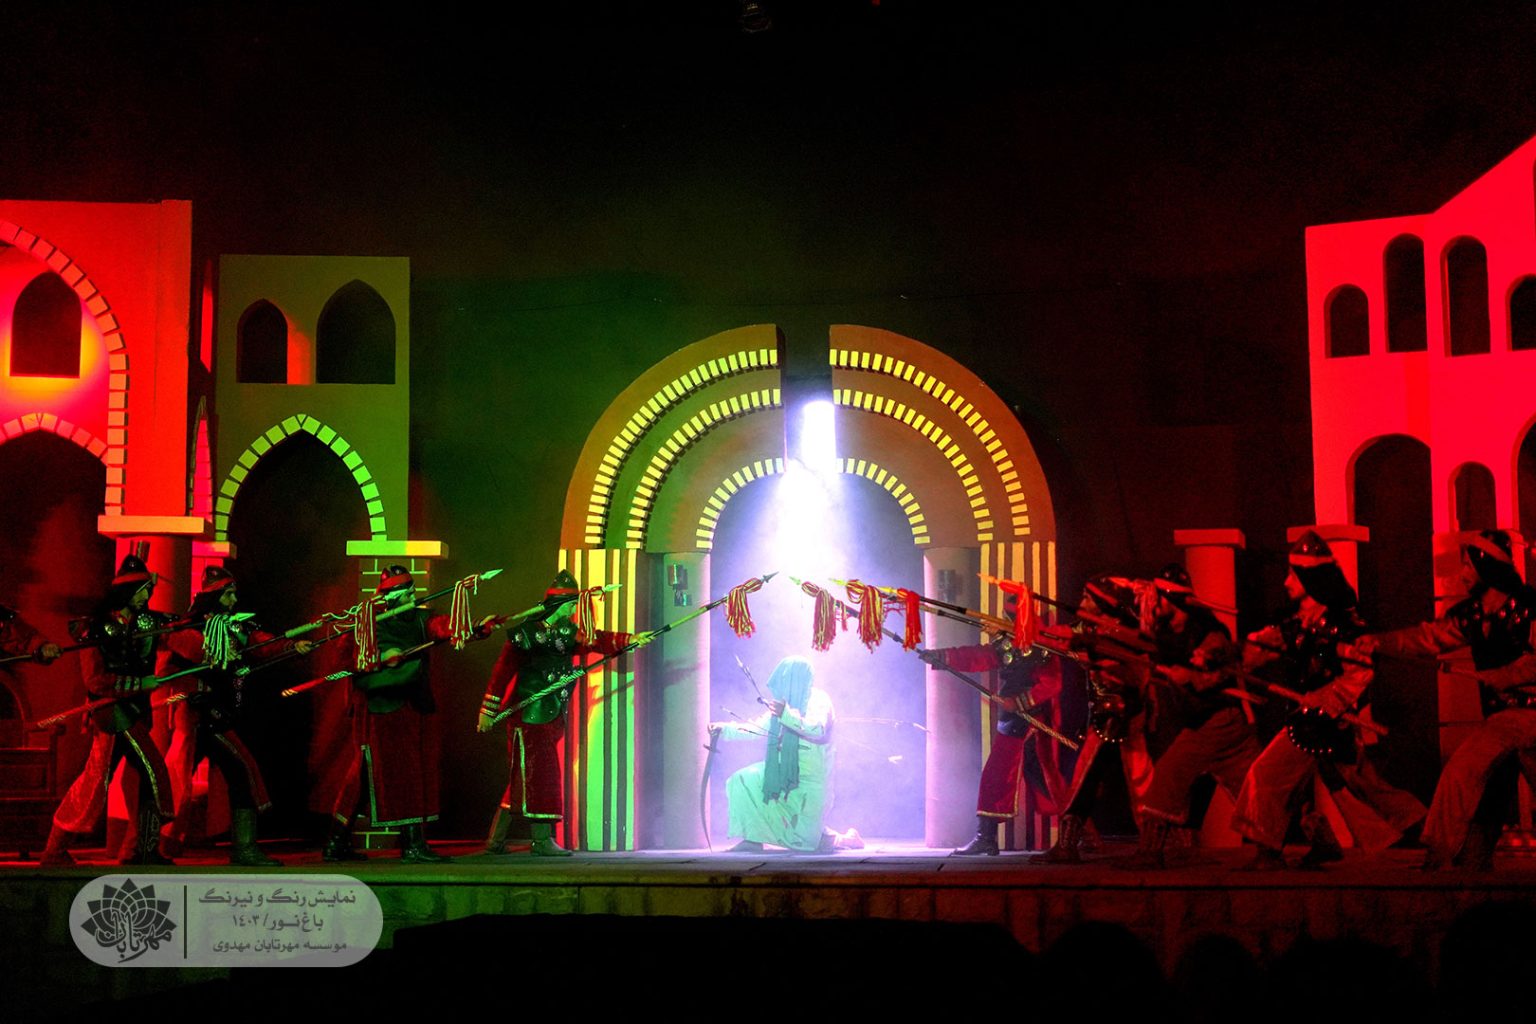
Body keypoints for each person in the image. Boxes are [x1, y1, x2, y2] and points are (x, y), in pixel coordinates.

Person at [1231, 531, 1425, 869]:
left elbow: (1361, 672)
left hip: (1322, 720)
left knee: (1268, 774)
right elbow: (1262, 649)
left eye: (1294, 574)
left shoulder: (1343, 627)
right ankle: (1422, 831)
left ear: (1310, 578)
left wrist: (1325, 702)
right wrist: (1227, 655)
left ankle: (1266, 852)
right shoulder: (1298, 624)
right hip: (1310, 716)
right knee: (1358, 785)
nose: (1286, 582)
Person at [1355, 529, 1536, 870]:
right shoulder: (1473, 614)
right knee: (1482, 785)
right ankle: (1457, 859)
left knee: (1463, 771)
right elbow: (1430, 638)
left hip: (1528, 715)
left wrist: (1505, 675)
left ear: (1486, 567)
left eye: (1468, 565)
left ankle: (1441, 855)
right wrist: (1382, 642)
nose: (1463, 574)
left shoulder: (1530, 608)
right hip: (1501, 719)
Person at [478, 569, 649, 856]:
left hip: (551, 714)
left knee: (524, 778)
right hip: (528, 716)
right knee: (541, 776)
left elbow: (597, 640)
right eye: (570, 606)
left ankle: (495, 841)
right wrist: (487, 710)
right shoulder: (524, 634)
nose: (573, 611)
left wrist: (630, 639)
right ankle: (541, 840)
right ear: (560, 605)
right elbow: (501, 673)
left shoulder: (566, 633)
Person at [158, 565, 313, 865]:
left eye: (233, 593)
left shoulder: (235, 627)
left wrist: (292, 646)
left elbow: (262, 643)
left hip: (217, 713)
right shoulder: (188, 629)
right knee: (193, 776)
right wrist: (211, 655)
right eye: (227, 594)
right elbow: (177, 663)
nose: (233, 600)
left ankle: (237, 847)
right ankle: (157, 845)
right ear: (213, 596)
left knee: (234, 773)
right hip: (194, 715)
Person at [1116, 564, 1260, 869]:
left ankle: (1149, 853)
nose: (1154, 602)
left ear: (1171, 599)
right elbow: (1144, 644)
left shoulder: (1209, 632)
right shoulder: (1169, 632)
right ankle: (1300, 842)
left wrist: (1191, 676)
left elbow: (1220, 674)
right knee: (1256, 791)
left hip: (1219, 719)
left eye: (1158, 597)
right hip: (1209, 720)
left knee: (1167, 776)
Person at [41, 554, 177, 866]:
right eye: (142, 590)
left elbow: (179, 633)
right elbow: (95, 680)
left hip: (135, 713)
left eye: (148, 589)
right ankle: (56, 850)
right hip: (112, 715)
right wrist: (139, 683)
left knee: (107, 780)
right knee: (144, 771)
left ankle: (140, 850)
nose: (147, 595)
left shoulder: (147, 622)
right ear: (125, 593)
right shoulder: (95, 629)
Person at [323, 565, 459, 863]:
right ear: (390, 595)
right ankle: (412, 845)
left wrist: (469, 627)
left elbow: (441, 627)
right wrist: (380, 656)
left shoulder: (420, 618)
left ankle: (336, 843)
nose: (412, 597)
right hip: (380, 709)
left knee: (368, 776)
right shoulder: (367, 622)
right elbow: (346, 660)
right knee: (399, 773)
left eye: (412, 591)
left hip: (411, 705)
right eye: (406, 593)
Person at [928, 593, 1071, 856]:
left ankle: (1077, 829)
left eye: (1011, 616)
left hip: (1033, 719)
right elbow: (979, 656)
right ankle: (988, 837)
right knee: (1005, 774)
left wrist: (1020, 702)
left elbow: (1052, 683)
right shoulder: (1008, 643)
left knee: (1038, 775)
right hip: (1013, 720)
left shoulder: (1043, 644)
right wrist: (944, 657)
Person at [1029, 574, 1156, 864]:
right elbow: (1057, 635)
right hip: (1102, 713)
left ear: (1102, 603)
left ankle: (1156, 844)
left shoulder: (1127, 631)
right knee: (1083, 778)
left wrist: (1096, 649)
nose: (1082, 602)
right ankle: (1068, 844)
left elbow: (1137, 671)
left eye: (1088, 598)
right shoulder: (1086, 628)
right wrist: (1025, 628)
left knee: (1140, 780)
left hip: (1127, 713)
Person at [708, 655, 839, 853]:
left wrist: (786, 714)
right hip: (780, 773)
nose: (782, 687)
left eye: (786, 681)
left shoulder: (819, 700)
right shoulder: (784, 704)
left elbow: (817, 729)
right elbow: (756, 728)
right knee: (742, 779)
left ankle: (838, 838)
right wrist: (724, 729)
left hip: (811, 780)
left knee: (806, 842)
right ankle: (752, 839)